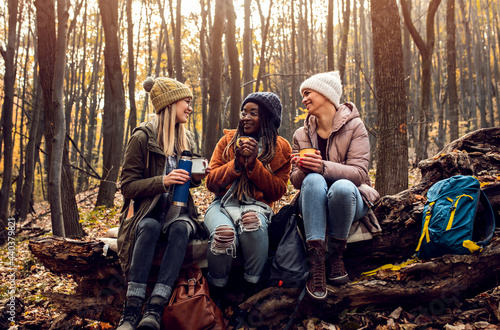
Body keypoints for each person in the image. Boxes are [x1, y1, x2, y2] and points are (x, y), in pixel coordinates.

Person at [116, 77, 210, 330]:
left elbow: (184, 182)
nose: (190, 108)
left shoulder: (185, 137)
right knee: (149, 228)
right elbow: (127, 186)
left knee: (181, 229)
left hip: (178, 212)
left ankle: (155, 308)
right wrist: (163, 181)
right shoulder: (142, 137)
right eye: (186, 103)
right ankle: (132, 310)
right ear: (170, 104)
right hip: (147, 212)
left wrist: (195, 179)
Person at [290, 71, 380, 301]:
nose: (304, 99)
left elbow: (359, 173)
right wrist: (302, 169)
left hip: (351, 197)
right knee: (311, 180)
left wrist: (322, 166)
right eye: (303, 94)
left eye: (307, 93)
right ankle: (318, 263)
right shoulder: (301, 134)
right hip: (313, 200)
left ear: (325, 94)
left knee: (340, 187)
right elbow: (296, 181)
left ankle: (337, 255)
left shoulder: (356, 126)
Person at [204, 92, 292, 303]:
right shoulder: (227, 141)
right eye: (244, 112)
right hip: (222, 205)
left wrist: (254, 165)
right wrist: (236, 164)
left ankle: (252, 288)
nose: (246, 117)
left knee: (251, 222)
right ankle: (216, 293)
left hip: (257, 206)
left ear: (268, 118)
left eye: (254, 113)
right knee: (224, 234)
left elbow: (277, 191)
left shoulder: (281, 148)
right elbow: (211, 183)